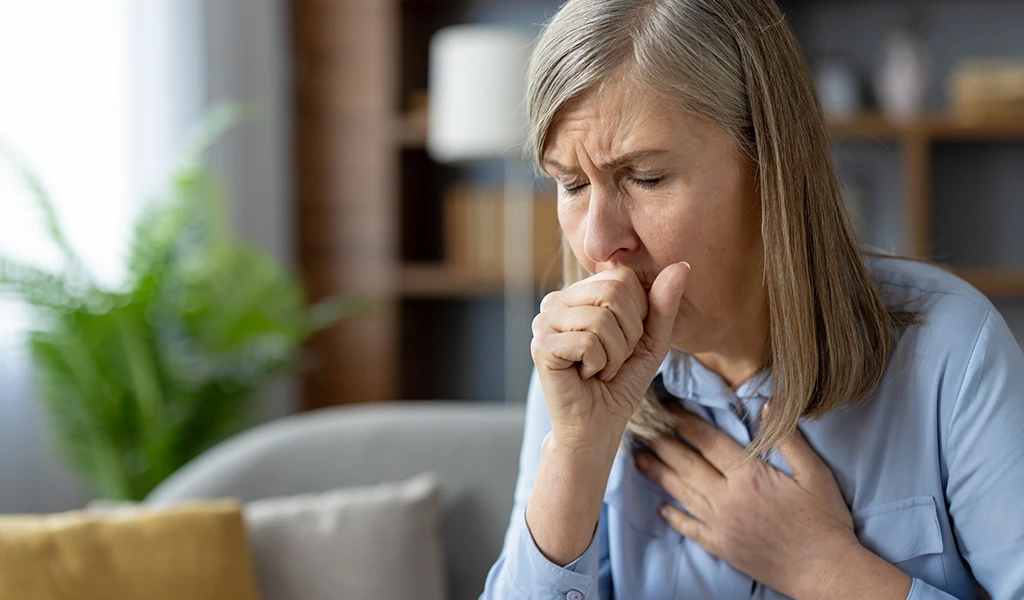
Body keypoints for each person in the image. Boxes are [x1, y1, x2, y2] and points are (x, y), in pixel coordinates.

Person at [480, 1, 1024, 599]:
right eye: (572, 184)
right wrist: (574, 459)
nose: (597, 241)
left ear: (770, 164)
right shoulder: (576, 378)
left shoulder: (955, 353)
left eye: (647, 178)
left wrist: (822, 568)